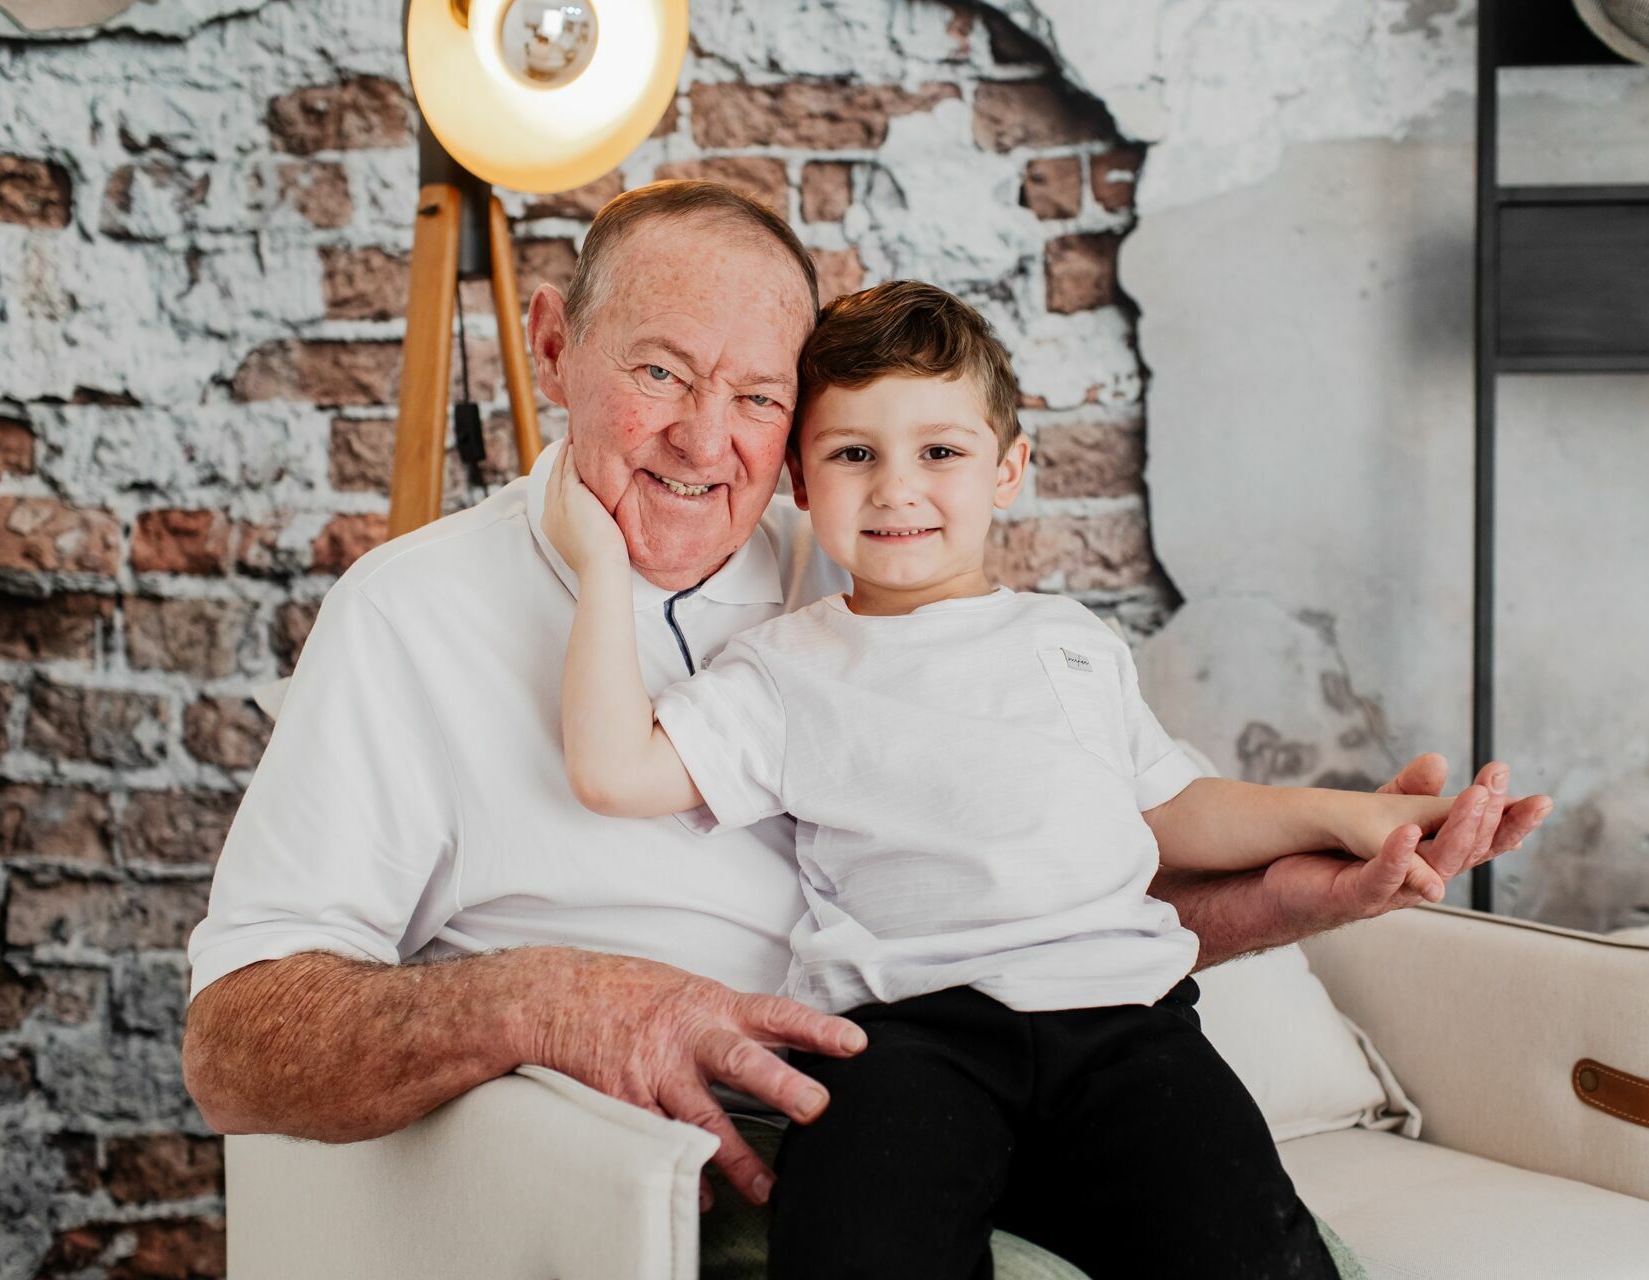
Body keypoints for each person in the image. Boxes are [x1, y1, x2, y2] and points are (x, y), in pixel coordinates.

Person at [181, 181, 1550, 1246]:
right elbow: (235, 1047)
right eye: (657, 372)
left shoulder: (864, 578)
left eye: (760, 398)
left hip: (995, 1099)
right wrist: (554, 998)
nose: (706, 440)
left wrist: (1291, 896)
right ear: (553, 343)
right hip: (684, 1175)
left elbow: (1031, 897)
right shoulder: (411, 614)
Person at [542, 280, 1545, 1278]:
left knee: (1253, 1250)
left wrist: (1359, 816)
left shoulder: (1069, 641)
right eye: (854, 454)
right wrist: (596, 561)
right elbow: (614, 768)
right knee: (846, 1247)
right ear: (801, 483)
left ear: (1009, 467)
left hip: (1123, 1028)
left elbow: (1171, 808)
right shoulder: (784, 666)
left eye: (940, 451)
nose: (896, 487)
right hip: (906, 1041)